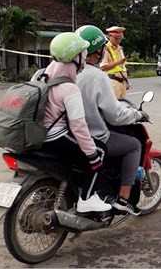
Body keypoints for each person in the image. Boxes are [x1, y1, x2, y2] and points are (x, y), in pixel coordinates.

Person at [76, 25, 150, 216]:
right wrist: (138, 115)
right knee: (133, 144)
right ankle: (123, 200)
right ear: (99, 49)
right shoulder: (95, 76)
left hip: (64, 135)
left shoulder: (59, 71)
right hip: (92, 136)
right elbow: (115, 115)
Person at [42, 32, 112, 213]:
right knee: (100, 150)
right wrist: (91, 153)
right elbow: (78, 127)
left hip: (38, 134)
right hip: (55, 136)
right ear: (75, 57)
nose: (84, 57)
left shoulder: (43, 75)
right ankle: (87, 198)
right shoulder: (69, 88)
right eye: (82, 53)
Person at [100, 26, 130, 99]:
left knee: (123, 105)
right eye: (116, 38)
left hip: (122, 82)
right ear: (110, 36)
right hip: (113, 82)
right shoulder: (106, 49)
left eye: (120, 38)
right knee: (114, 107)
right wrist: (118, 62)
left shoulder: (120, 48)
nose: (118, 41)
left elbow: (122, 67)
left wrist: (126, 81)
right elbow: (103, 67)